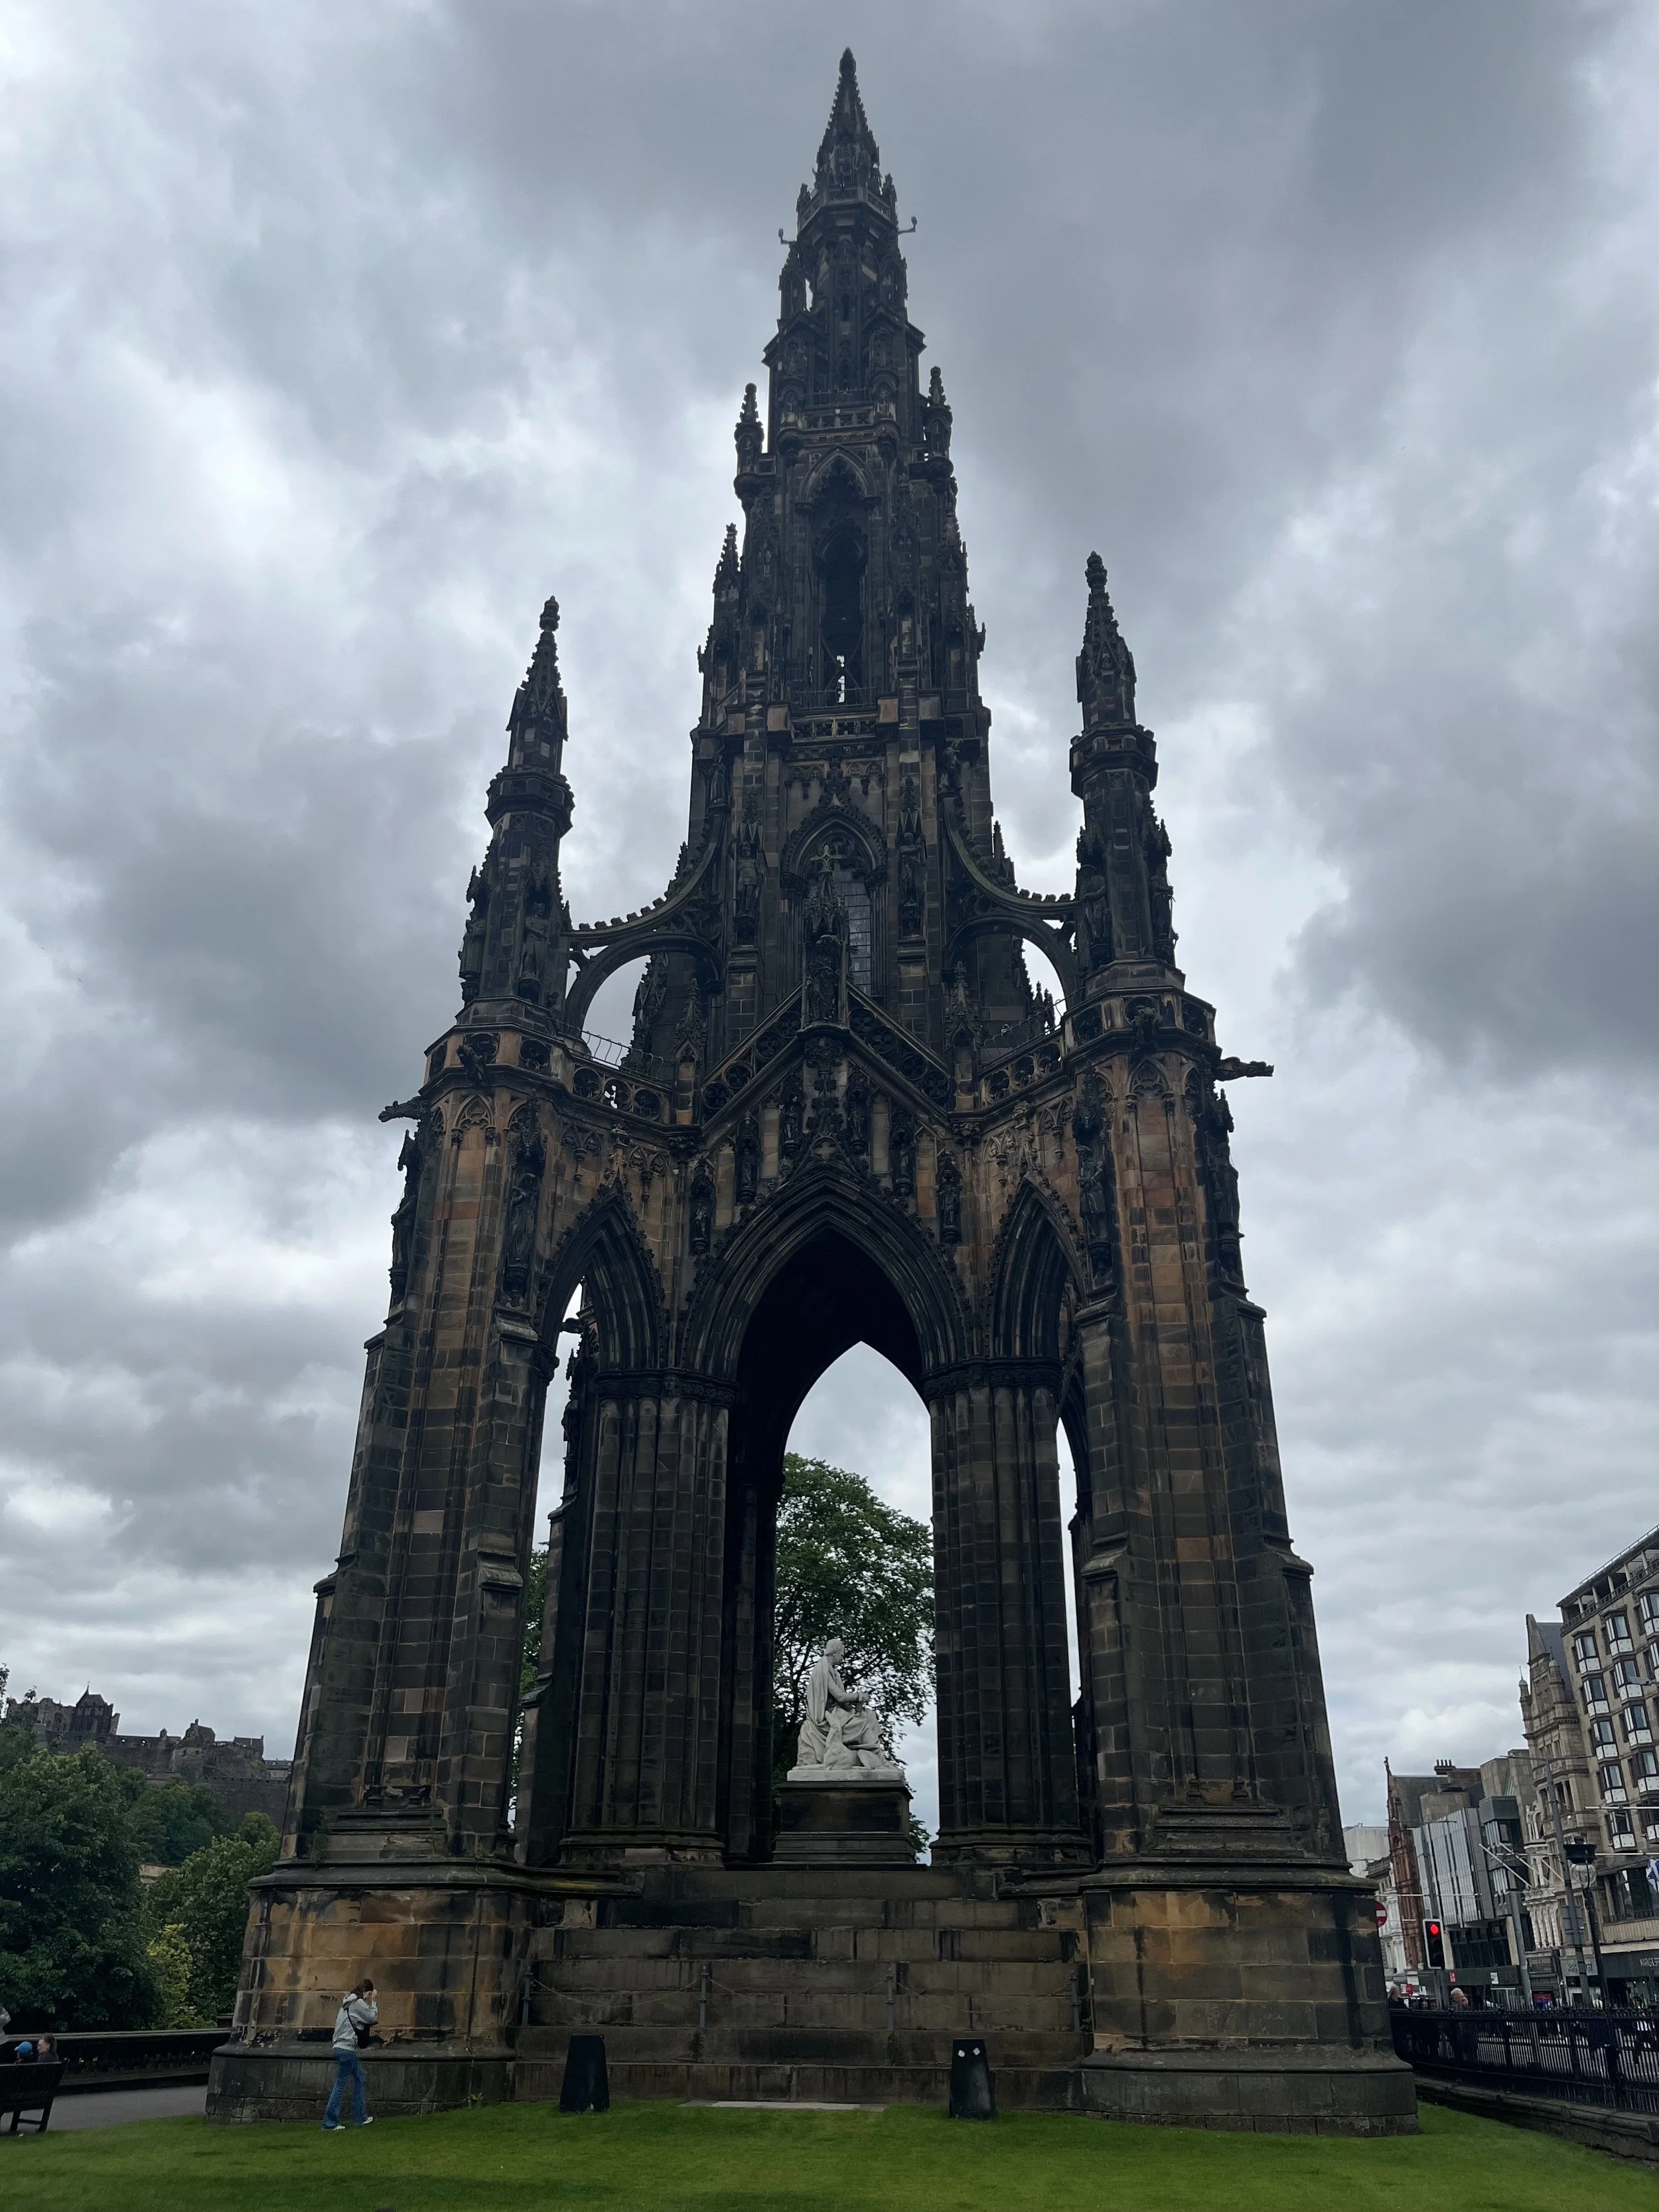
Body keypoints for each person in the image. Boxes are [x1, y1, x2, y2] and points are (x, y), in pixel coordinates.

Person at [322, 1978, 377, 2130]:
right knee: (340, 2084)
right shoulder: (357, 2003)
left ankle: (359, 2117)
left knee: (360, 2077)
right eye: (370, 1993)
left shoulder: (347, 2003)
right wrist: (373, 2001)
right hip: (346, 2049)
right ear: (367, 1992)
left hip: (340, 2047)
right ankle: (330, 2123)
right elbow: (372, 2018)